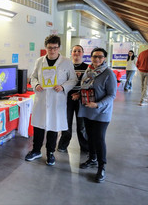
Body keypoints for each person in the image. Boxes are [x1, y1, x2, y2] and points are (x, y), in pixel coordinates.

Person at [25, 35, 77, 166]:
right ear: (46, 47)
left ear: (59, 48)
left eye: (54, 48)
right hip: (41, 98)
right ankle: (36, 150)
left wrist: (63, 86)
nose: (52, 51)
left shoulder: (66, 62)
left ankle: (50, 153)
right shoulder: (39, 61)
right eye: (49, 48)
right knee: (38, 127)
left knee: (53, 128)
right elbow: (33, 77)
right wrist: (36, 85)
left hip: (56, 99)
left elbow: (73, 79)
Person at [77, 47, 117, 183]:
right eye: (94, 56)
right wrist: (79, 94)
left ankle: (101, 166)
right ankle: (92, 158)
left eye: (100, 57)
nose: (97, 59)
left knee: (99, 139)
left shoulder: (108, 73)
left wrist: (98, 104)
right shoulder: (88, 71)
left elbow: (112, 95)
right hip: (87, 110)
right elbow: (85, 87)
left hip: (101, 112)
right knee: (90, 136)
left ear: (104, 58)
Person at [58, 45, 89, 153]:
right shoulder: (66, 66)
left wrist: (79, 94)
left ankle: (85, 146)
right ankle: (63, 145)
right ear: (71, 53)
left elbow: (89, 84)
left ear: (83, 53)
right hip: (67, 97)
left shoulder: (87, 67)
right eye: (74, 51)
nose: (76, 53)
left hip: (81, 98)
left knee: (81, 125)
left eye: (79, 51)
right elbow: (61, 80)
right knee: (66, 122)